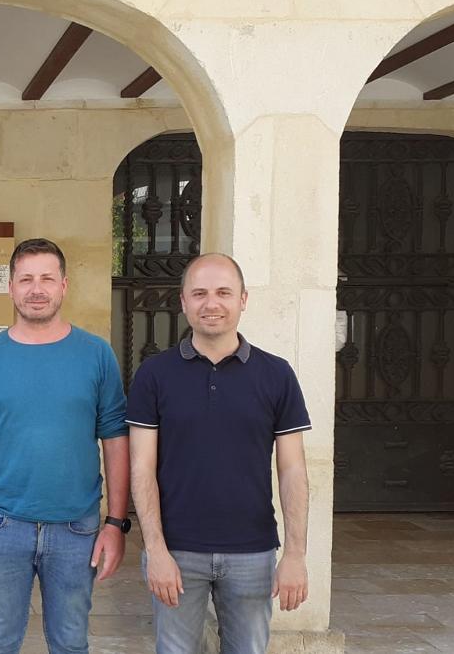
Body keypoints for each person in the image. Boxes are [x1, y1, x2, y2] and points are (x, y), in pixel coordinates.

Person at [0, 237, 130, 654]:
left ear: (64, 285)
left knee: (70, 643)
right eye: (26, 279)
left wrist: (116, 522)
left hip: (76, 526)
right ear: (10, 287)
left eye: (47, 278)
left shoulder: (96, 354)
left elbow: (116, 441)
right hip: (2, 525)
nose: (37, 289)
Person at [128, 253, 312, 654]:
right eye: (200, 293)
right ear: (183, 301)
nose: (211, 304)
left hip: (253, 553)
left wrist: (295, 555)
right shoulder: (154, 375)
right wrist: (155, 550)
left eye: (223, 293)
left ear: (243, 299)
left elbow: (294, 469)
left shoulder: (276, 374)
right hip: (177, 552)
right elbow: (141, 467)